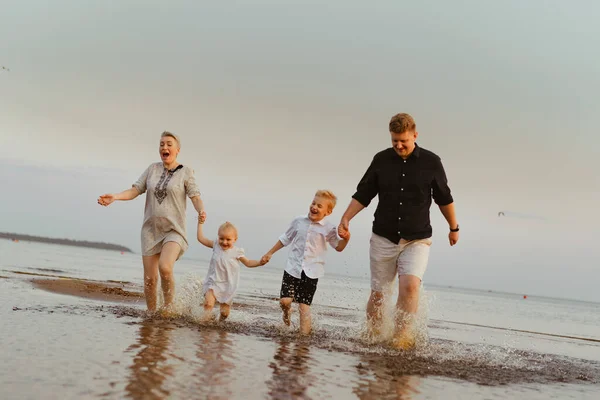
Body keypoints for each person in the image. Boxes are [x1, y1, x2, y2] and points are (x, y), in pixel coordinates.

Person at [338, 113, 459, 350]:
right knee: (379, 293)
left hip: (417, 239)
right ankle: (373, 337)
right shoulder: (381, 160)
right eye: (394, 141)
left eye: (403, 140)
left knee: (410, 286)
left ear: (415, 135)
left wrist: (453, 227)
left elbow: (444, 198)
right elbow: (364, 193)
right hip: (383, 236)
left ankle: (401, 339)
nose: (399, 145)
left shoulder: (432, 162)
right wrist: (345, 218)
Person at [97, 131, 205, 313]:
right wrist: (115, 197)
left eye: (169, 144)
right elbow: (135, 190)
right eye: (162, 144)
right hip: (150, 230)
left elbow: (195, 196)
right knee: (150, 279)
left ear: (177, 150)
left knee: (165, 266)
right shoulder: (152, 169)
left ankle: (169, 310)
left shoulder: (186, 172)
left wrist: (201, 210)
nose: (165, 147)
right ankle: (152, 313)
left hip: (174, 230)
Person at [261, 190, 350, 335]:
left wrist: (346, 239)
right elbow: (285, 238)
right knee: (285, 301)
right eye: (313, 203)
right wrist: (269, 253)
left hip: (312, 271)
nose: (314, 207)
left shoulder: (329, 228)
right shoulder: (298, 221)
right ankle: (286, 314)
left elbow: (339, 247)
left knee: (304, 307)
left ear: (328, 211)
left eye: (319, 206)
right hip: (292, 268)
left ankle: (303, 340)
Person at [196, 218, 265, 321]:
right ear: (218, 237)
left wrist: (259, 262)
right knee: (208, 304)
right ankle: (204, 325)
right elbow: (201, 238)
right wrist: (200, 223)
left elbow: (248, 263)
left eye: (228, 239)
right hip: (213, 282)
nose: (224, 242)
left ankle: (219, 324)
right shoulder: (215, 245)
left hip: (228, 286)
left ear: (235, 239)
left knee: (224, 314)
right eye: (221, 238)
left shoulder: (237, 252)